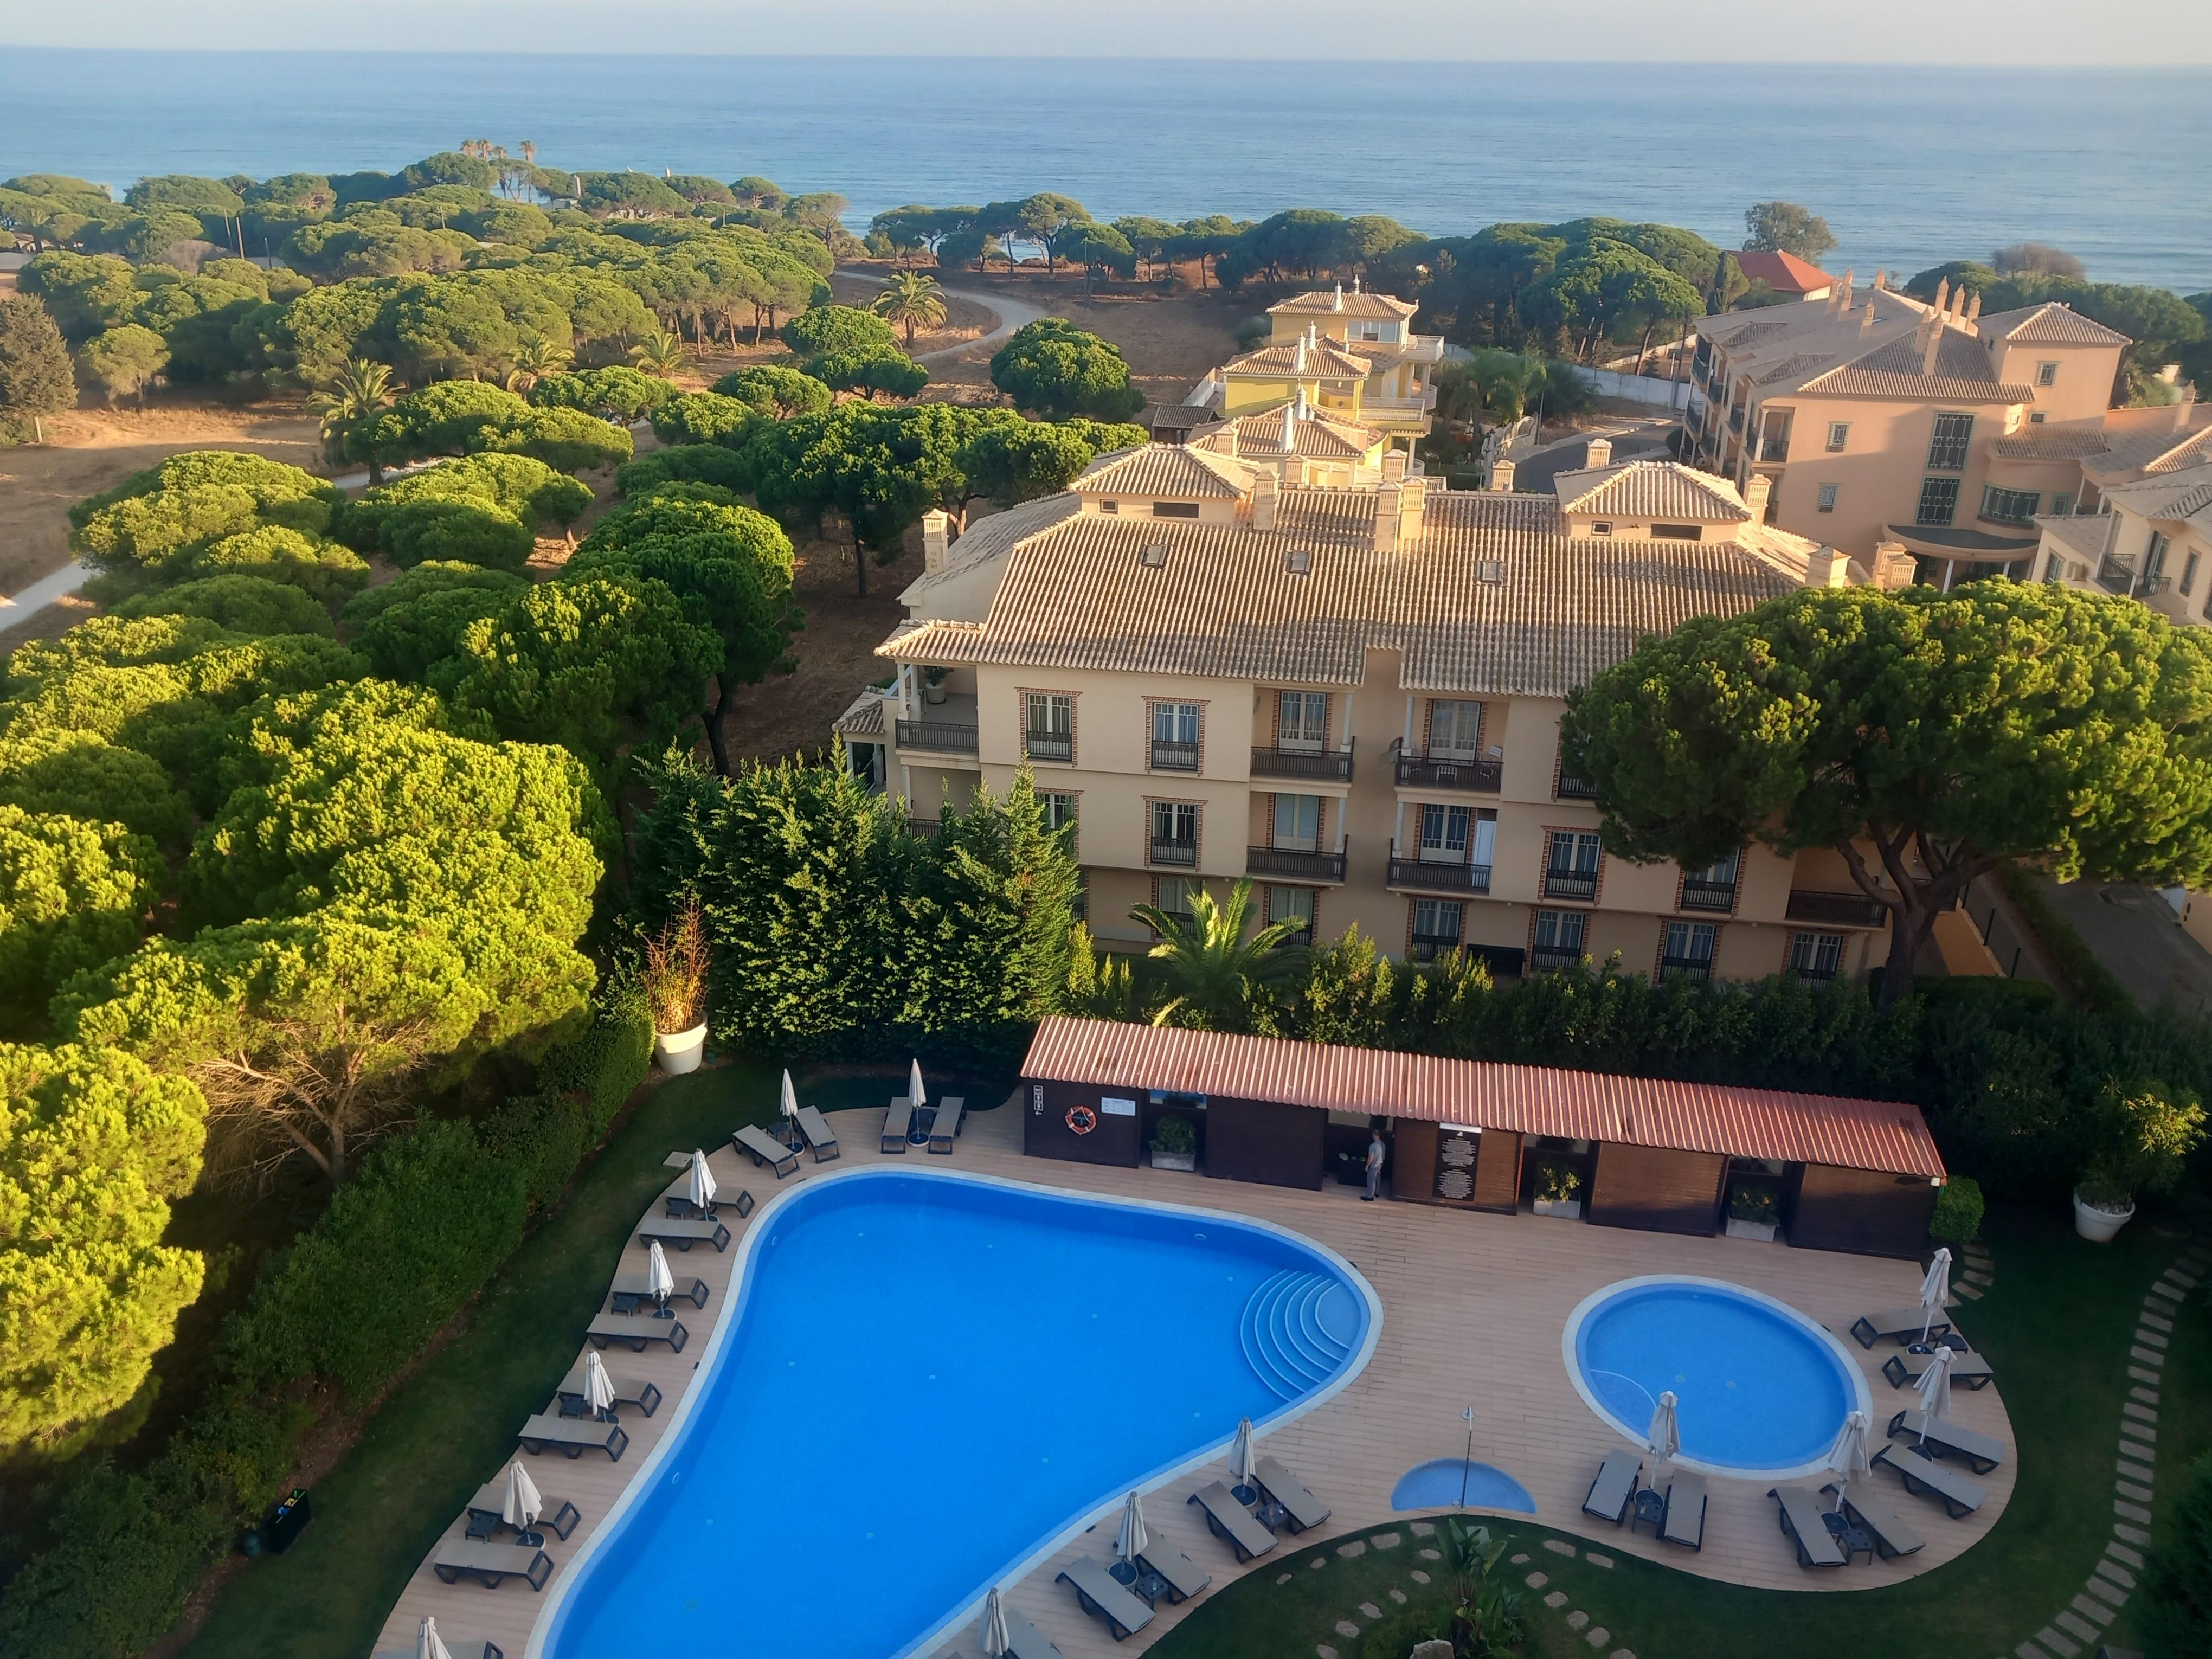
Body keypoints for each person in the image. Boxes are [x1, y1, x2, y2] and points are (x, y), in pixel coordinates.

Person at [1364, 1127, 1385, 1201]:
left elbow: (1371, 1157)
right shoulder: (1383, 1144)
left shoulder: (1373, 1146)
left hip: (1374, 1165)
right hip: (1380, 1164)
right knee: (1378, 1179)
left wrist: (1367, 1165)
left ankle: (1370, 1196)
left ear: (1374, 1135)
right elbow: (1383, 1156)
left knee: (1371, 1180)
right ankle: (1377, 1193)